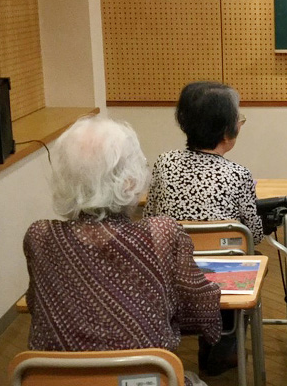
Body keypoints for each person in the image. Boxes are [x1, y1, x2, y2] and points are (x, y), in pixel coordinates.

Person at [23, 115, 220, 386]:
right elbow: (198, 311)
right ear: (129, 181)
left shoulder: (40, 236)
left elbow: (35, 306)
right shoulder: (161, 233)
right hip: (145, 378)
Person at [144, 80, 263, 375]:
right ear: (227, 130)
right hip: (222, 278)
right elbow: (255, 234)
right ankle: (224, 345)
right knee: (248, 257)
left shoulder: (163, 164)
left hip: (173, 273)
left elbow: (150, 218)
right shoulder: (238, 174)